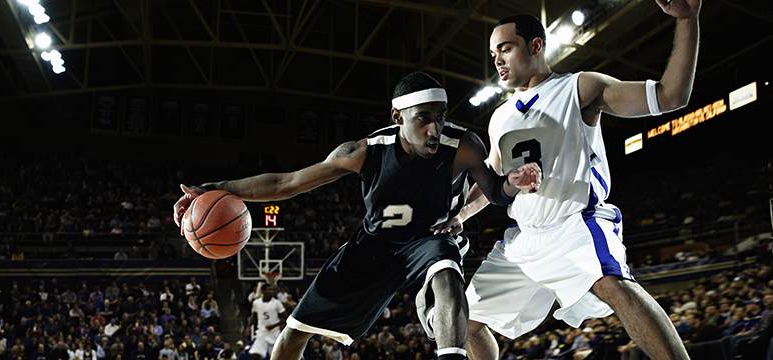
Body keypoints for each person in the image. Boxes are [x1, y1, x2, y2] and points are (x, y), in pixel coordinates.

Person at [173, 72, 540, 360]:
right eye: (423, 119)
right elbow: (287, 183)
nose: (434, 129)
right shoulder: (364, 151)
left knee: (445, 270)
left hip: (430, 237)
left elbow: (494, 193)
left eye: (440, 118)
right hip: (374, 245)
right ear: (398, 116)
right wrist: (215, 187)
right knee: (295, 330)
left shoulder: (462, 146)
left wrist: (512, 184)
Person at [451, 2, 702, 360]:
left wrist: (687, 20)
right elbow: (491, 182)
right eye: (493, 53)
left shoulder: (579, 88)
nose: (498, 60)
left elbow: (670, 95)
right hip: (526, 237)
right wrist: (460, 215)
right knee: (468, 321)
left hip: (575, 223)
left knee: (613, 285)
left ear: (536, 46)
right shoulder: (500, 117)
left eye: (506, 48)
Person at [246, 284, 288, 360]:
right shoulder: (256, 303)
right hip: (262, 332)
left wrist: (274, 325)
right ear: (263, 291)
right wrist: (248, 327)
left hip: (274, 333)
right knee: (256, 354)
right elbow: (254, 316)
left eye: (272, 289)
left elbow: (285, 316)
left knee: (277, 357)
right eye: (269, 289)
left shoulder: (276, 303)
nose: (271, 291)